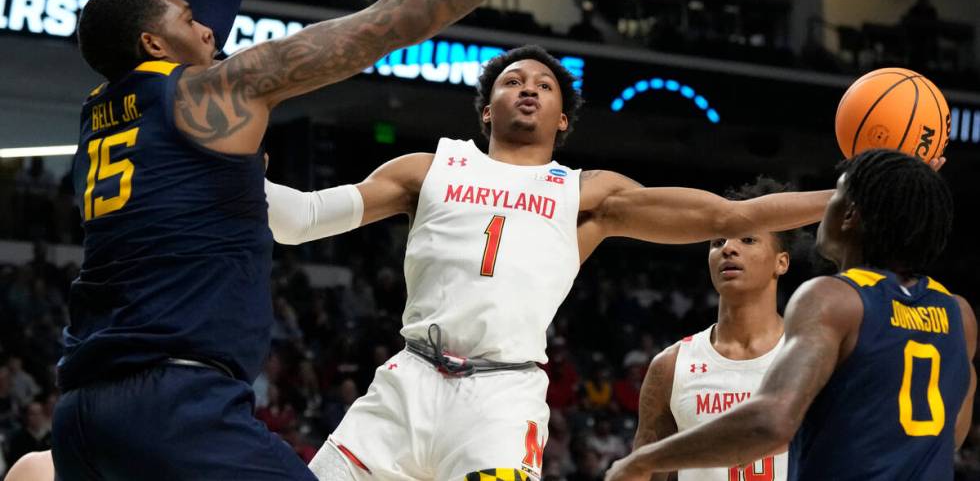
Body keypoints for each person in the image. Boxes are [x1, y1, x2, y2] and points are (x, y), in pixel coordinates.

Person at [51, 0, 639, 479]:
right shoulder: (213, 93)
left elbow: (193, 19)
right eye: (192, 19)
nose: (210, 29)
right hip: (175, 401)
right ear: (155, 42)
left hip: (84, 409)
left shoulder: (109, 106)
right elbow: (391, 19)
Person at [258, 44, 834, 481]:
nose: (528, 88)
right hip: (408, 381)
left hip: (500, 400)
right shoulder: (429, 168)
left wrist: (843, 198)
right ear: (487, 111)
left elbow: (730, 217)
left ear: (562, 120)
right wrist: (232, 175)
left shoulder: (585, 194)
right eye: (512, 81)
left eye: (544, 85)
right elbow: (301, 220)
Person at [606, 149, 975, 481]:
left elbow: (770, 422)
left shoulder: (833, 298)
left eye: (836, 196)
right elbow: (953, 433)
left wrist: (643, 461)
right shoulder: (959, 314)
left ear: (849, 215)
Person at [633, 177, 800, 481]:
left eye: (747, 240)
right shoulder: (670, 366)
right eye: (717, 242)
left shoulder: (811, 359)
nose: (728, 249)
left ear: (782, 262)